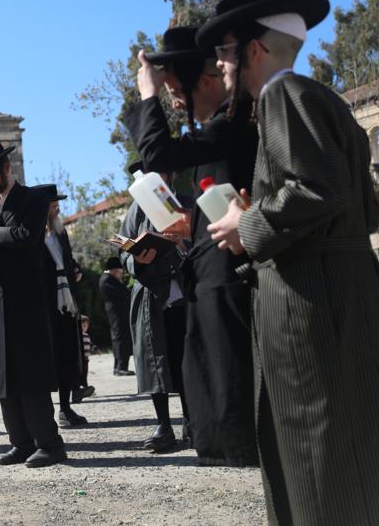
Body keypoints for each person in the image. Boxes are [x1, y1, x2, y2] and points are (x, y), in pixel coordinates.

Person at [202, 0, 379, 524]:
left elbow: (319, 190)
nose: (221, 66)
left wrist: (246, 225)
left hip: (314, 312)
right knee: (361, 449)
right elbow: (352, 208)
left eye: (225, 52)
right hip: (343, 294)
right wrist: (262, 211)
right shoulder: (321, 99)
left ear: (253, 48)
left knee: (323, 461)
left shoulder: (282, 96)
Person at [123, 26, 259, 466]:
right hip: (207, 277)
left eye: (175, 93)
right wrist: (188, 226)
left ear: (204, 81)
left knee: (237, 391)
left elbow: (158, 154)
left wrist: (147, 93)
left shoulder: (234, 124)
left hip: (234, 283)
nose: (174, 103)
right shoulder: (217, 128)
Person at [0, 142, 65, 468]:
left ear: (6, 168)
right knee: (5, 377)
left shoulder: (34, 199)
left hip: (26, 302)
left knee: (31, 374)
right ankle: (20, 442)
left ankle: (49, 443)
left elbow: (24, 237)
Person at [117, 162, 189, 453]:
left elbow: (203, 241)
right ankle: (163, 425)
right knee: (155, 360)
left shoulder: (185, 201)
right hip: (150, 295)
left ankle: (194, 422)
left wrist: (183, 243)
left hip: (184, 292)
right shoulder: (136, 209)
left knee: (186, 359)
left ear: (168, 176)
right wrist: (137, 259)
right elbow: (123, 249)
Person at [34, 184, 88, 428]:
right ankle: (44, 415)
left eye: (57, 206)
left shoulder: (60, 232)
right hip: (45, 304)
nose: (56, 211)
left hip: (67, 304)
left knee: (67, 354)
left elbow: (68, 259)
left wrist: (75, 270)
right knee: (47, 358)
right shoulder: (32, 234)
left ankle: (65, 408)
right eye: (52, 207)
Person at [98, 258, 133, 376]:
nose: (121, 273)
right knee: (120, 338)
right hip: (116, 313)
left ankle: (119, 366)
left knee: (120, 337)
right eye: (119, 270)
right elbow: (123, 294)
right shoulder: (107, 280)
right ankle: (120, 367)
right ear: (114, 270)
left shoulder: (110, 280)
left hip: (119, 312)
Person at [79, 315, 95, 397]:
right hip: (80, 359)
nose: (85, 327)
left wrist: (95, 348)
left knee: (85, 374)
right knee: (81, 374)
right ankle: (83, 388)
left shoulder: (87, 335)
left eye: (86, 325)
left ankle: (86, 388)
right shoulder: (78, 336)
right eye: (83, 325)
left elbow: (91, 344)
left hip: (86, 359)